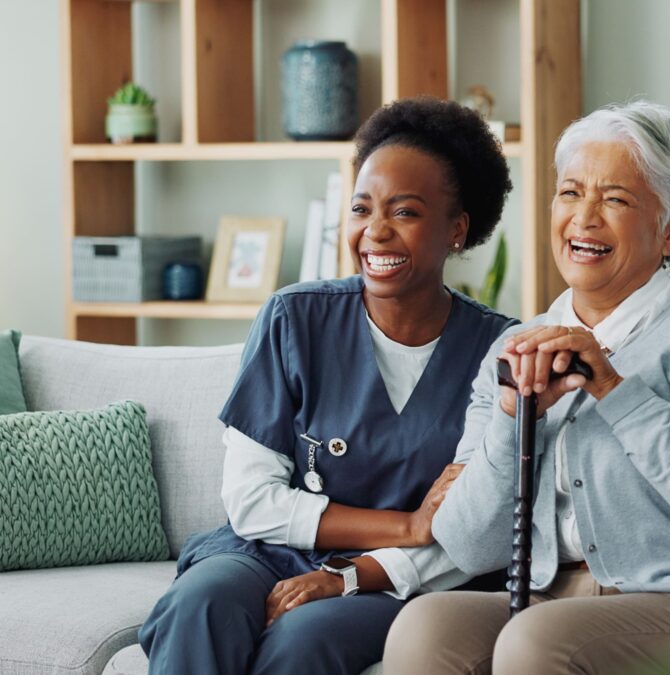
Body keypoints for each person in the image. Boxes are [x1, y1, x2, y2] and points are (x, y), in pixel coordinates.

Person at [382, 101, 670, 675]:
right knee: (426, 627)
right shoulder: (519, 347)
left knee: (538, 641)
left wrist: (614, 388)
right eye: (570, 193)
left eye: (615, 199)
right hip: (562, 598)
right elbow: (468, 545)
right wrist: (514, 417)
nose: (584, 218)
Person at [139, 97, 517, 675]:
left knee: (304, 639)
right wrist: (409, 523)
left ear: (457, 230)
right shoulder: (295, 319)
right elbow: (251, 501)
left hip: (395, 578)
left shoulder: (499, 353)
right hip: (266, 554)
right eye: (361, 209)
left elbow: (478, 531)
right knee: (199, 605)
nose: (376, 232)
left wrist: (357, 569)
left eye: (406, 212)